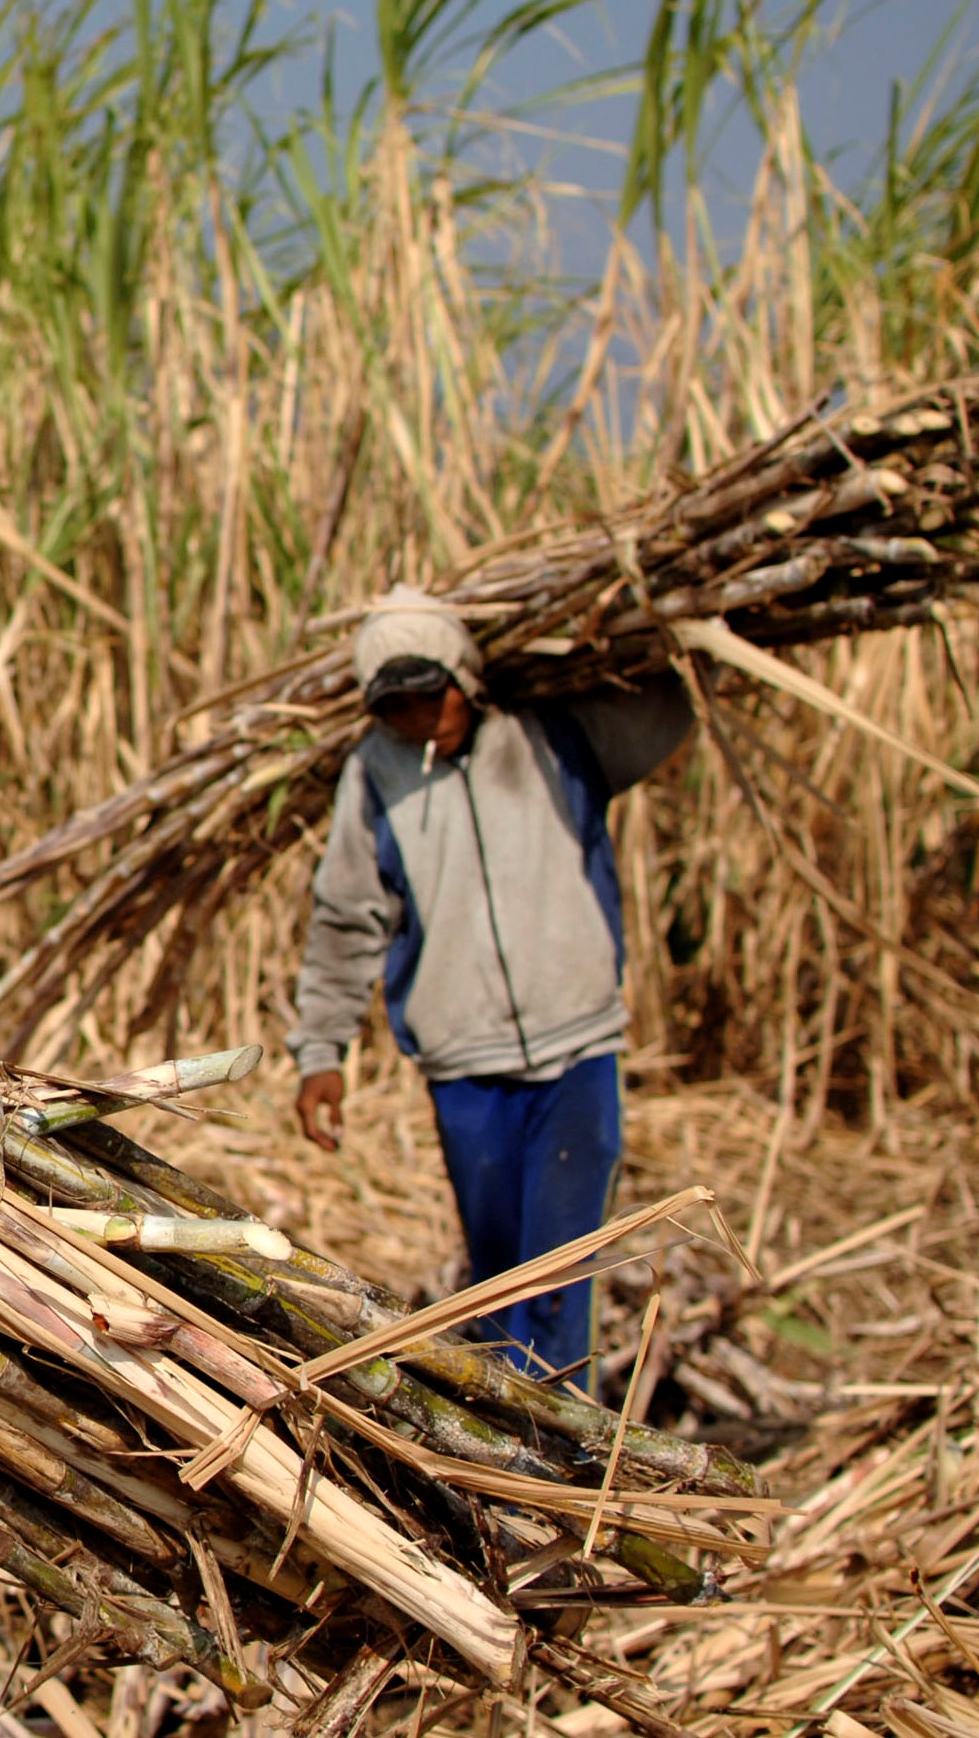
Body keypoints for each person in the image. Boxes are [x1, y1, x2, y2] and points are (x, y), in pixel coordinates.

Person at [285, 587, 692, 1381]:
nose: (416, 717)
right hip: (466, 1068)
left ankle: (566, 1442)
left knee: (562, 1274)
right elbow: (345, 918)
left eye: (428, 693)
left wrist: (665, 622)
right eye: (394, 705)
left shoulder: (552, 737)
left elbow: (671, 711)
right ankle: (509, 1433)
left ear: (466, 675)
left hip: (578, 1053)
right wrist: (321, 1052)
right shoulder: (375, 774)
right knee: (500, 1275)